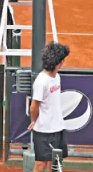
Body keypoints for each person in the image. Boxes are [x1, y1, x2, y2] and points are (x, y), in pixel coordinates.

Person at [27, 42, 72, 171]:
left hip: (58, 128)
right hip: (44, 132)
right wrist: (36, 121)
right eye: (63, 60)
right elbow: (33, 107)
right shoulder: (41, 81)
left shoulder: (57, 77)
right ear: (59, 63)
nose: (63, 62)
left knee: (57, 164)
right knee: (41, 165)